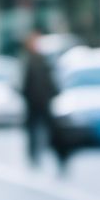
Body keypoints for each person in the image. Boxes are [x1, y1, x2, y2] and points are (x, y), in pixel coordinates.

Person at [21, 30, 57, 169]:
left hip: (44, 100)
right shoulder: (27, 60)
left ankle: (53, 153)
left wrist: (53, 93)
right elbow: (24, 82)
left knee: (50, 128)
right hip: (32, 102)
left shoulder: (43, 59)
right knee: (32, 131)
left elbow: (49, 79)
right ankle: (33, 156)